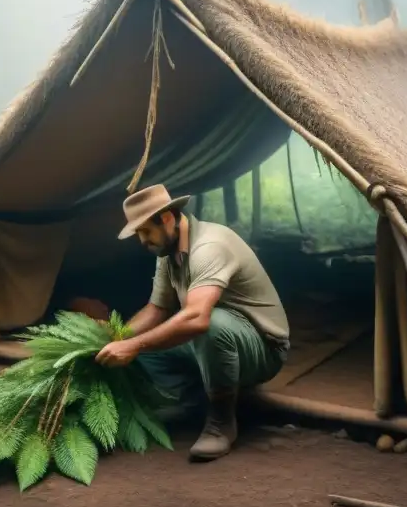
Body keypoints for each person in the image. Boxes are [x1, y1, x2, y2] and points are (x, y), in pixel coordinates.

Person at [95, 184, 290, 461]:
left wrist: (133, 345)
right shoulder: (167, 251)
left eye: (145, 231)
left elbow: (198, 318)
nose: (142, 241)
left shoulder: (210, 246)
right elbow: (157, 309)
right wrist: (118, 337)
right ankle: (195, 401)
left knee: (209, 325)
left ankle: (222, 421)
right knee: (139, 349)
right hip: (212, 340)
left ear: (166, 218)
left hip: (263, 348)